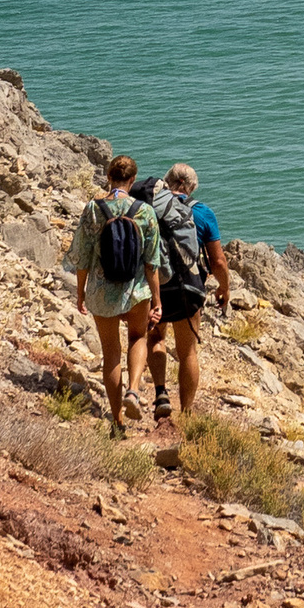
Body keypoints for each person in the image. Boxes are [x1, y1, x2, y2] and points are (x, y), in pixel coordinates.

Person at [67, 150, 162, 430]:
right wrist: (157, 299)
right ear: (132, 180)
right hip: (136, 291)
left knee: (111, 353)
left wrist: (81, 292)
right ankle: (133, 389)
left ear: (108, 177)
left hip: (101, 290)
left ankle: (117, 420)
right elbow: (152, 261)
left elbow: (82, 257)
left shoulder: (93, 209)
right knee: (138, 338)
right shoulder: (144, 211)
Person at [136, 161, 230, 427]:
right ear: (191, 188)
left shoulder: (149, 208)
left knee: (155, 336)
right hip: (189, 288)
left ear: (167, 183)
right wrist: (224, 288)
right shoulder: (202, 213)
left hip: (155, 286)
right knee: (187, 351)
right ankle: (186, 413)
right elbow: (218, 262)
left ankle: (161, 393)